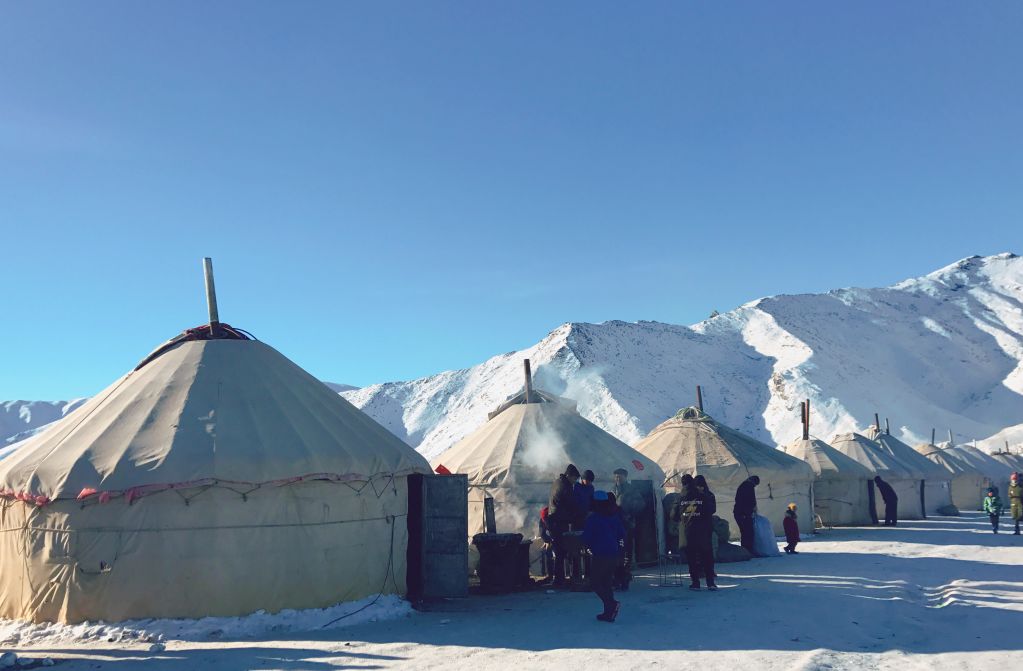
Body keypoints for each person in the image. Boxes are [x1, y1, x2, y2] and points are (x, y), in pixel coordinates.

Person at [581, 490, 625, 623]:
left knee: (595, 583)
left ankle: (611, 604)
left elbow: (586, 537)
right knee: (606, 582)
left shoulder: (593, 519)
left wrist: (586, 545)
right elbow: (622, 534)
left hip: (600, 555)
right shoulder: (614, 516)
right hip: (613, 554)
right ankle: (608, 613)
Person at [680, 474, 717, 591]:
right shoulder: (705, 497)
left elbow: (675, 514)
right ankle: (710, 583)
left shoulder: (682, 498)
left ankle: (695, 582)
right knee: (707, 557)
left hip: (689, 531)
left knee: (692, 558)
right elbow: (710, 510)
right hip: (704, 531)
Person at [548, 464, 582, 585]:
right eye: (574, 478)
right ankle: (559, 579)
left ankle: (559, 578)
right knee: (561, 551)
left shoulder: (557, 482)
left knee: (559, 551)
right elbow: (571, 504)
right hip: (559, 521)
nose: (575, 481)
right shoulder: (565, 486)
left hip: (554, 520)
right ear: (569, 476)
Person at [611, 468, 644, 590]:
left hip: (627, 524)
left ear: (625, 477)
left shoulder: (631, 490)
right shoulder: (613, 489)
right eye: (616, 477)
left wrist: (630, 513)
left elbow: (641, 504)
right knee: (616, 552)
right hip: (615, 525)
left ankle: (625, 577)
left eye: (619, 477)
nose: (617, 479)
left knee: (626, 552)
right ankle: (617, 577)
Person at [733, 475, 760, 554]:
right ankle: (748, 551)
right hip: (743, 514)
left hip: (739, 513)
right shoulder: (748, 486)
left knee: (744, 533)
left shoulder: (743, 485)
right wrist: (746, 513)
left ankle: (745, 551)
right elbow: (749, 501)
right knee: (748, 533)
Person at [538, 505, 555, 580]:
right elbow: (542, 533)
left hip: (558, 536)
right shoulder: (542, 520)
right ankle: (550, 575)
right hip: (551, 538)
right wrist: (548, 540)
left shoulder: (555, 517)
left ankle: (560, 575)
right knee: (548, 554)